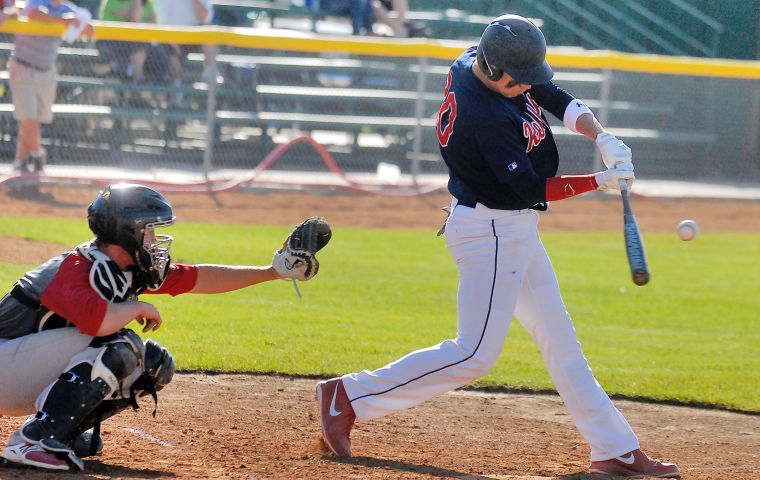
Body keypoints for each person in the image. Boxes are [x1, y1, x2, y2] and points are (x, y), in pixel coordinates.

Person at [316, 14, 681, 479]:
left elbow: (549, 93)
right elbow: (529, 188)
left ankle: (615, 449)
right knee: (474, 354)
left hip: (511, 227)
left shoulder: (481, 61)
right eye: (520, 80)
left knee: (561, 342)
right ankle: (347, 397)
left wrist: (600, 135)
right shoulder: (485, 115)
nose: (528, 85)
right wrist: (599, 181)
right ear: (496, 72)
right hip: (490, 229)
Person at [0, 183, 322, 472]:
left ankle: (61, 432)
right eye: (150, 231)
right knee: (122, 345)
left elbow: (200, 277)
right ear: (129, 231)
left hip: (18, 367)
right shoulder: (78, 267)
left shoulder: (121, 266)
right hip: (5, 368)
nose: (155, 240)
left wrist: (274, 271)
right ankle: (36, 439)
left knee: (153, 365)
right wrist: (138, 306)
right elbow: (96, 322)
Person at [8, 0, 93, 173]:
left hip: (47, 71)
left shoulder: (67, 7)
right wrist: (64, 21)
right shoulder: (36, 2)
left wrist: (78, 24)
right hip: (23, 67)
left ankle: (20, 162)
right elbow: (33, 13)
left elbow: (88, 28)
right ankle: (38, 154)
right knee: (29, 118)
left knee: (33, 120)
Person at [153, 0, 214, 106]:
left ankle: (210, 74)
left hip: (192, 36)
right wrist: (171, 41)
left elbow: (205, 18)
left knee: (209, 37)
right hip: (170, 37)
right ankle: (175, 96)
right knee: (173, 61)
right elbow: (160, 22)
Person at [97, 0, 170, 86]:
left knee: (161, 53)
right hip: (110, 43)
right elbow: (135, 20)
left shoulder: (147, 3)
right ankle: (138, 81)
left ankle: (156, 86)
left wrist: (140, 24)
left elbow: (154, 24)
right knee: (139, 45)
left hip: (136, 43)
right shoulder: (113, 1)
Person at [308, 0, 374, 36]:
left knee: (367, 1)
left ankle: (369, 31)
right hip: (326, 3)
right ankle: (357, 33)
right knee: (357, 1)